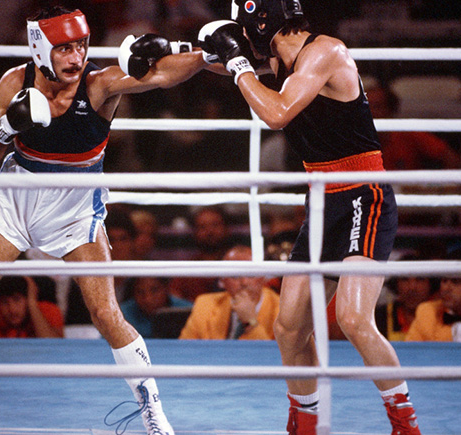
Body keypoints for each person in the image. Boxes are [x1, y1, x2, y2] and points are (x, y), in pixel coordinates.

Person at [0, 5, 208, 435]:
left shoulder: (99, 85)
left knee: (106, 313)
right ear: (40, 48)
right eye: (64, 49)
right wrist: (6, 128)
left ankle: (154, 412)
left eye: (81, 46)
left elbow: (168, 74)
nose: (76, 58)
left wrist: (201, 50)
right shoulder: (12, 84)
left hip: (76, 210)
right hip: (15, 203)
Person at [161, 2, 421, 432]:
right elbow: (211, 62)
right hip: (322, 201)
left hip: (363, 196)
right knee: (288, 326)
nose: (244, 37)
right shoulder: (276, 58)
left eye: (246, 28)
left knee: (354, 319)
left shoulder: (326, 52)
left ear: (263, 21)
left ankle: (405, 422)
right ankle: (305, 421)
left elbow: (277, 113)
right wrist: (164, 49)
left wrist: (239, 61)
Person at [179, 245, 279, 340]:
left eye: (251, 274)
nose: (244, 282)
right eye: (235, 276)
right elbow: (184, 350)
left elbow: (278, 356)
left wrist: (251, 322)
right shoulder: (205, 304)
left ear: (263, 278)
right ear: (222, 281)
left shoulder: (281, 309)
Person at [406, 249, 461, 342]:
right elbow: (411, 354)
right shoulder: (427, 313)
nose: (446, 288)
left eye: (456, 282)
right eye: (444, 280)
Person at [0, 276, 64, 338]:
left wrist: (32, 304)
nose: (11, 309)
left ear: (29, 297)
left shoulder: (49, 310)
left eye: (17, 300)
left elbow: (55, 349)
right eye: (4, 302)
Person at [169, 206, 234, 302]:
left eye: (215, 225)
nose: (210, 232)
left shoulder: (238, 265)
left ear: (226, 228)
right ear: (194, 232)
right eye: (202, 227)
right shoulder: (184, 273)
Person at [375, 253, 438, 341]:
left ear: (431, 284)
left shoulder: (441, 315)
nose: (412, 287)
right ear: (396, 284)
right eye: (405, 279)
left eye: (420, 279)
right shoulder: (378, 317)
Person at [120, 276, 192, 338]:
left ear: (166, 288)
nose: (148, 299)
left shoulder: (187, 310)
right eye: (140, 292)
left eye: (154, 290)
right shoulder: (121, 315)